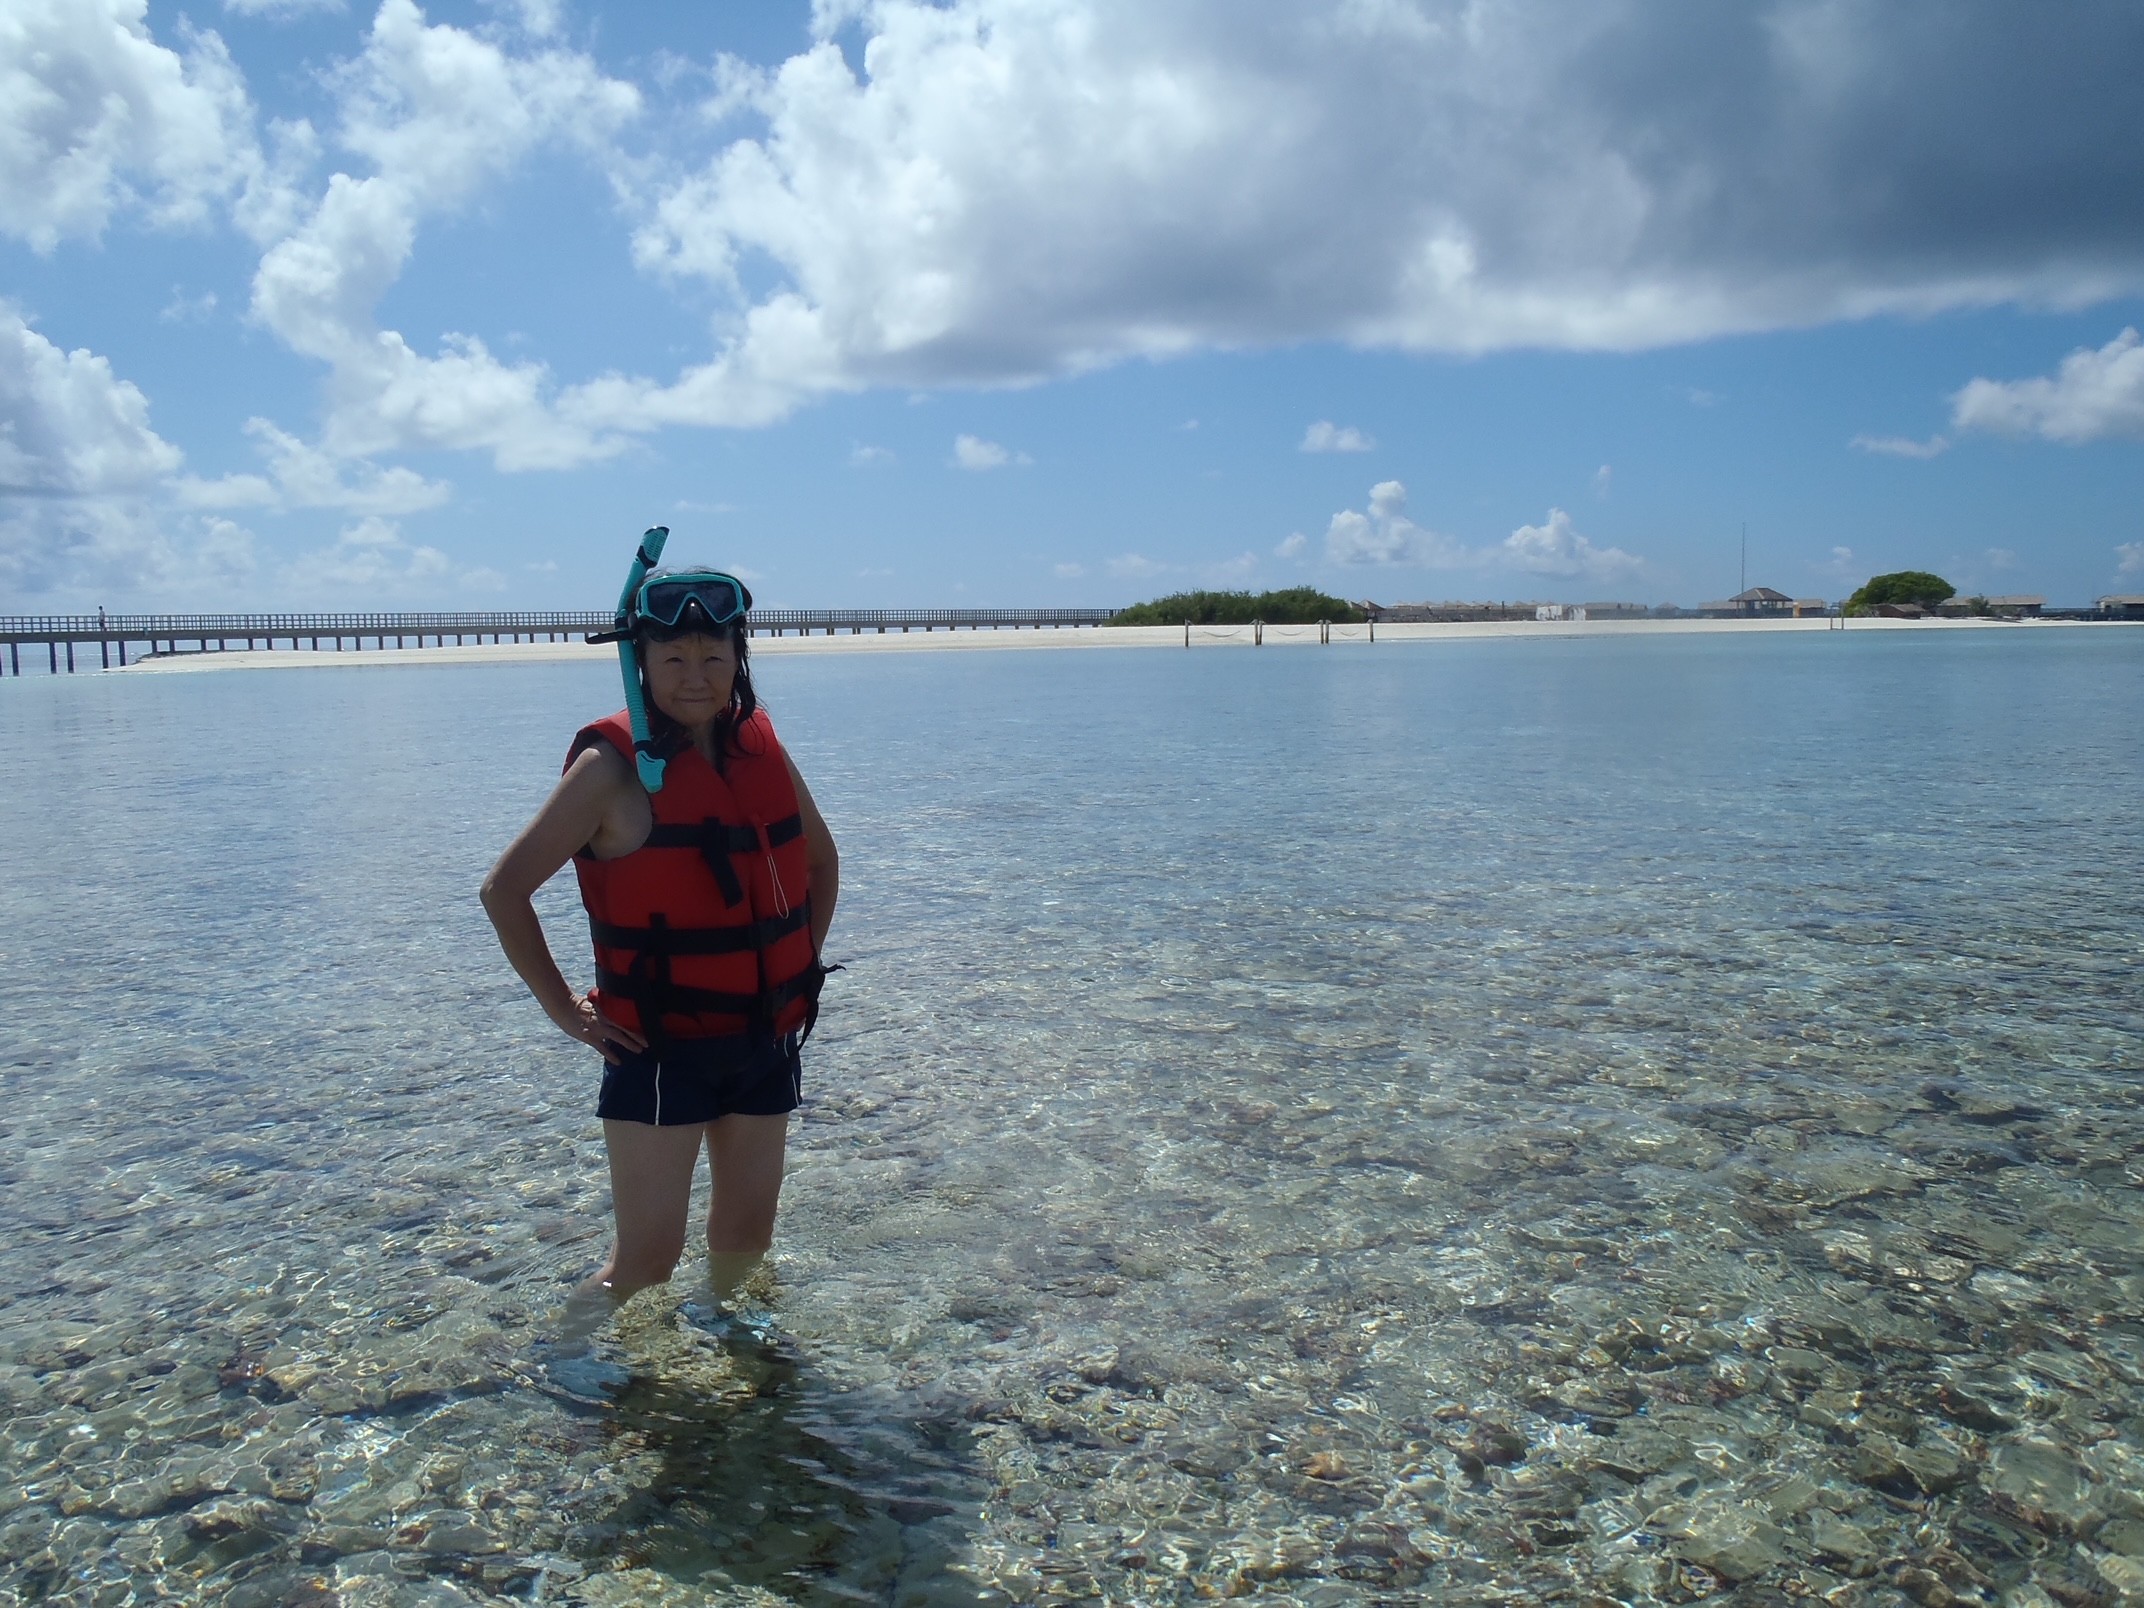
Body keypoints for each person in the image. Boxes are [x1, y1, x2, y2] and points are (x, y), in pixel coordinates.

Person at [481, 558, 839, 1323]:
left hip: (764, 1039)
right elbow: (504, 890)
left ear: (738, 659)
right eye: (673, 657)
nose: (696, 676)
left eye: (714, 657)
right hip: (658, 1050)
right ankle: (567, 1368)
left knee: (748, 1232)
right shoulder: (607, 772)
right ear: (638, 661)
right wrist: (565, 1011)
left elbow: (817, 860)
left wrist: (795, 965)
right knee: (648, 1259)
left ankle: (739, 1362)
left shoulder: (758, 748)